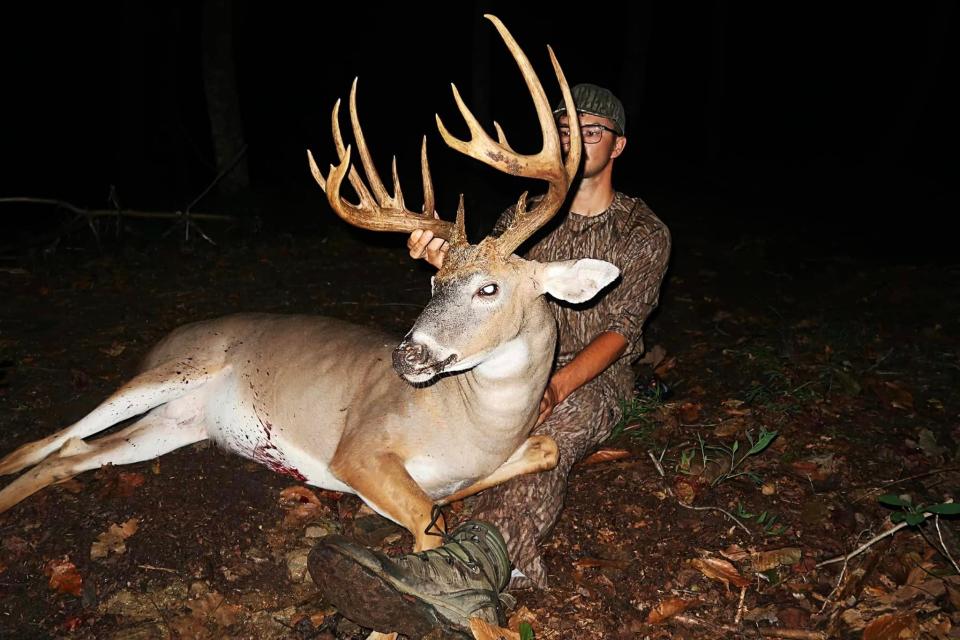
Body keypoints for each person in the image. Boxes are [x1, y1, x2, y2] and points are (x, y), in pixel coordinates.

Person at [308, 83, 671, 637]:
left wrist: (559, 384)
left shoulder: (644, 233)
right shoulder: (522, 218)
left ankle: (471, 564)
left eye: (591, 133)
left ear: (617, 146)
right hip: (503, 364)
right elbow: (479, 286)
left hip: (589, 372)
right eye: (565, 132)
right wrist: (440, 254)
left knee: (554, 437)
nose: (576, 144)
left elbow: (622, 328)